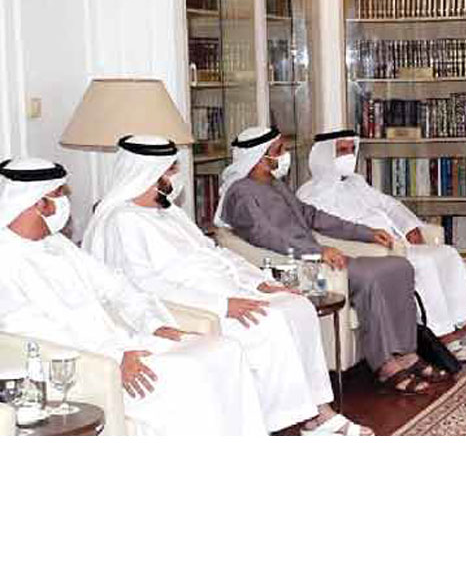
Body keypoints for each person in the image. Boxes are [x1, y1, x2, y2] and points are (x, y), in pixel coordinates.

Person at [0, 158, 270, 436]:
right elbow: (30, 330)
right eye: (59, 194)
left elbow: (118, 286)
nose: (65, 203)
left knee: (225, 351)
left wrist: (153, 323)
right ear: (37, 202)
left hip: (119, 343)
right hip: (80, 365)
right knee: (191, 374)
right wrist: (116, 357)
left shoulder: (55, 244)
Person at [83, 135, 370, 436]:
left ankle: (319, 413)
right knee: (269, 321)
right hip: (199, 303)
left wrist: (261, 283)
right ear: (148, 174)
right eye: (170, 170)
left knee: (299, 307)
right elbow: (144, 285)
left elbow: (217, 254)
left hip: (231, 288)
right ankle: (279, 424)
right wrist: (222, 305)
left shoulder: (170, 213)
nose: (176, 176)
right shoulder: (122, 220)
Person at [216, 127, 439, 394]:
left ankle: (406, 353)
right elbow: (265, 236)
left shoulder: (273, 184)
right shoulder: (240, 194)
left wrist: (366, 233)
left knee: (399, 267)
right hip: (291, 269)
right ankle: (384, 365)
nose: (285, 155)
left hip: (316, 259)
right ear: (260, 157)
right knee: (369, 278)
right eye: (279, 150)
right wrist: (317, 252)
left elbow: (313, 216)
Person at [299, 128, 466, 363]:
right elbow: (331, 231)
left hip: (397, 243)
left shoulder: (355, 183)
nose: (349, 156)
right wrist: (372, 238)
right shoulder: (311, 194)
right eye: (342, 150)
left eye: (352, 149)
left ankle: (465, 326)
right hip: (370, 251)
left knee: (447, 254)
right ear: (324, 156)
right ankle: (444, 337)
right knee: (424, 264)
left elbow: (389, 205)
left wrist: (410, 225)